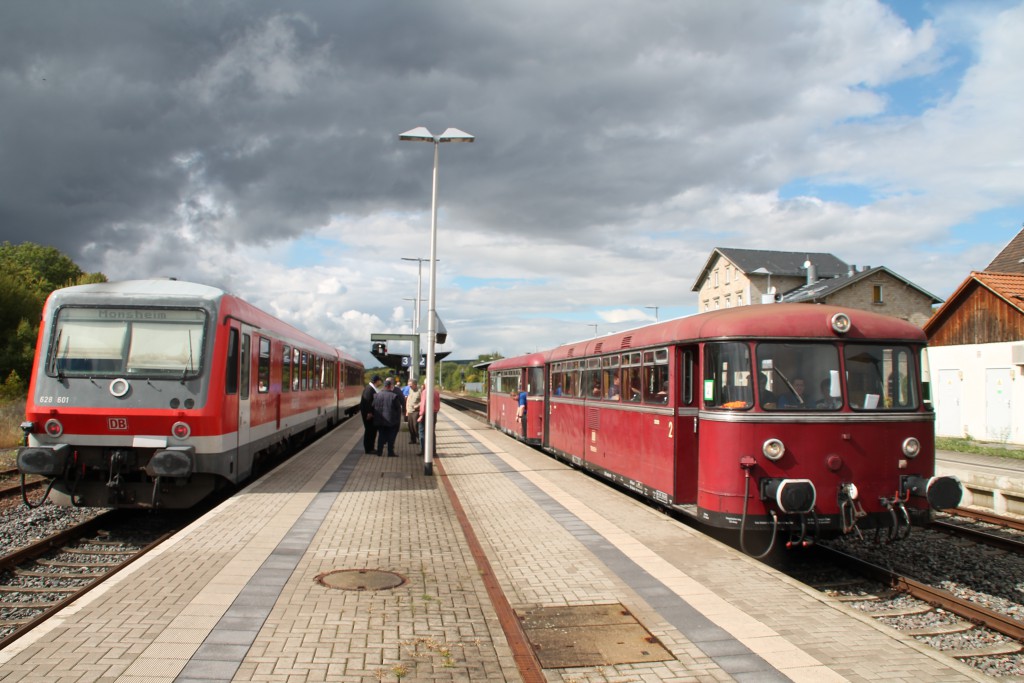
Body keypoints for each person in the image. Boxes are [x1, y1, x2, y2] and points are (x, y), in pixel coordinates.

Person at [372, 378, 403, 457]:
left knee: (381, 436)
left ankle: (379, 452)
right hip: (391, 421)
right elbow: (398, 409)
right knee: (391, 438)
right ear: (389, 386)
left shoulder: (376, 395)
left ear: (384, 386)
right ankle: (390, 452)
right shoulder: (394, 396)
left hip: (380, 420)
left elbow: (373, 406)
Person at [418, 384, 442, 456]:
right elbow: (438, 405)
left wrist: (421, 415)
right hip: (434, 414)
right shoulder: (436, 392)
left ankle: (423, 450)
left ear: (425, 384)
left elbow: (423, 404)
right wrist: (435, 412)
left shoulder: (425, 392)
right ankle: (433, 451)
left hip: (425, 414)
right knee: (432, 432)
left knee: (422, 432)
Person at [360, 375, 382, 454]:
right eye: (380, 380)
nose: (381, 382)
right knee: (370, 431)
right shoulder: (369, 389)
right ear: (377, 381)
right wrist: (369, 413)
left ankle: (371, 448)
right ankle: (369, 449)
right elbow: (367, 402)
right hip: (369, 415)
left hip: (371, 414)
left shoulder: (371, 388)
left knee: (372, 431)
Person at [404, 378, 421, 444]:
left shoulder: (419, 391)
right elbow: (408, 399)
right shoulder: (410, 390)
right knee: (410, 426)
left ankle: (419, 439)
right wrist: (407, 410)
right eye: (408, 385)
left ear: (415, 384)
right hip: (410, 411)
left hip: (416, 411)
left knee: (415, 426)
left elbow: (423, 400)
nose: (409, 386)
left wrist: (418, 405)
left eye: (410, 385)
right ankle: (413, 439)